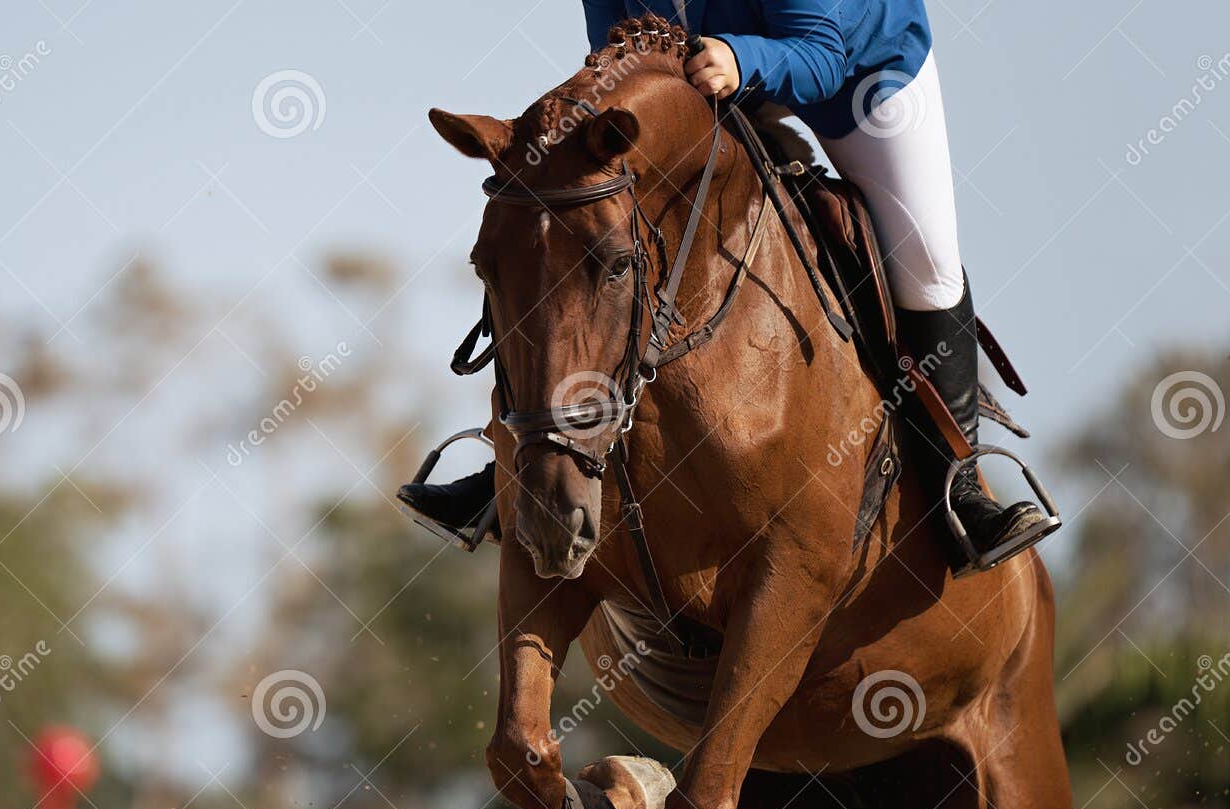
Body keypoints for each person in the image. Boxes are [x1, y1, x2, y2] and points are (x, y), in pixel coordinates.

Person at [400, 0, 1057, 572]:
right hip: (707, 83)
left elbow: (822, 54)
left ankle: (960, 487)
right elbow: (614, 62)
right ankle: (516, 463)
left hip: (859, 73)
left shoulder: (849, 62)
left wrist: (743, 59)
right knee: (581, 240)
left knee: (924, 258)